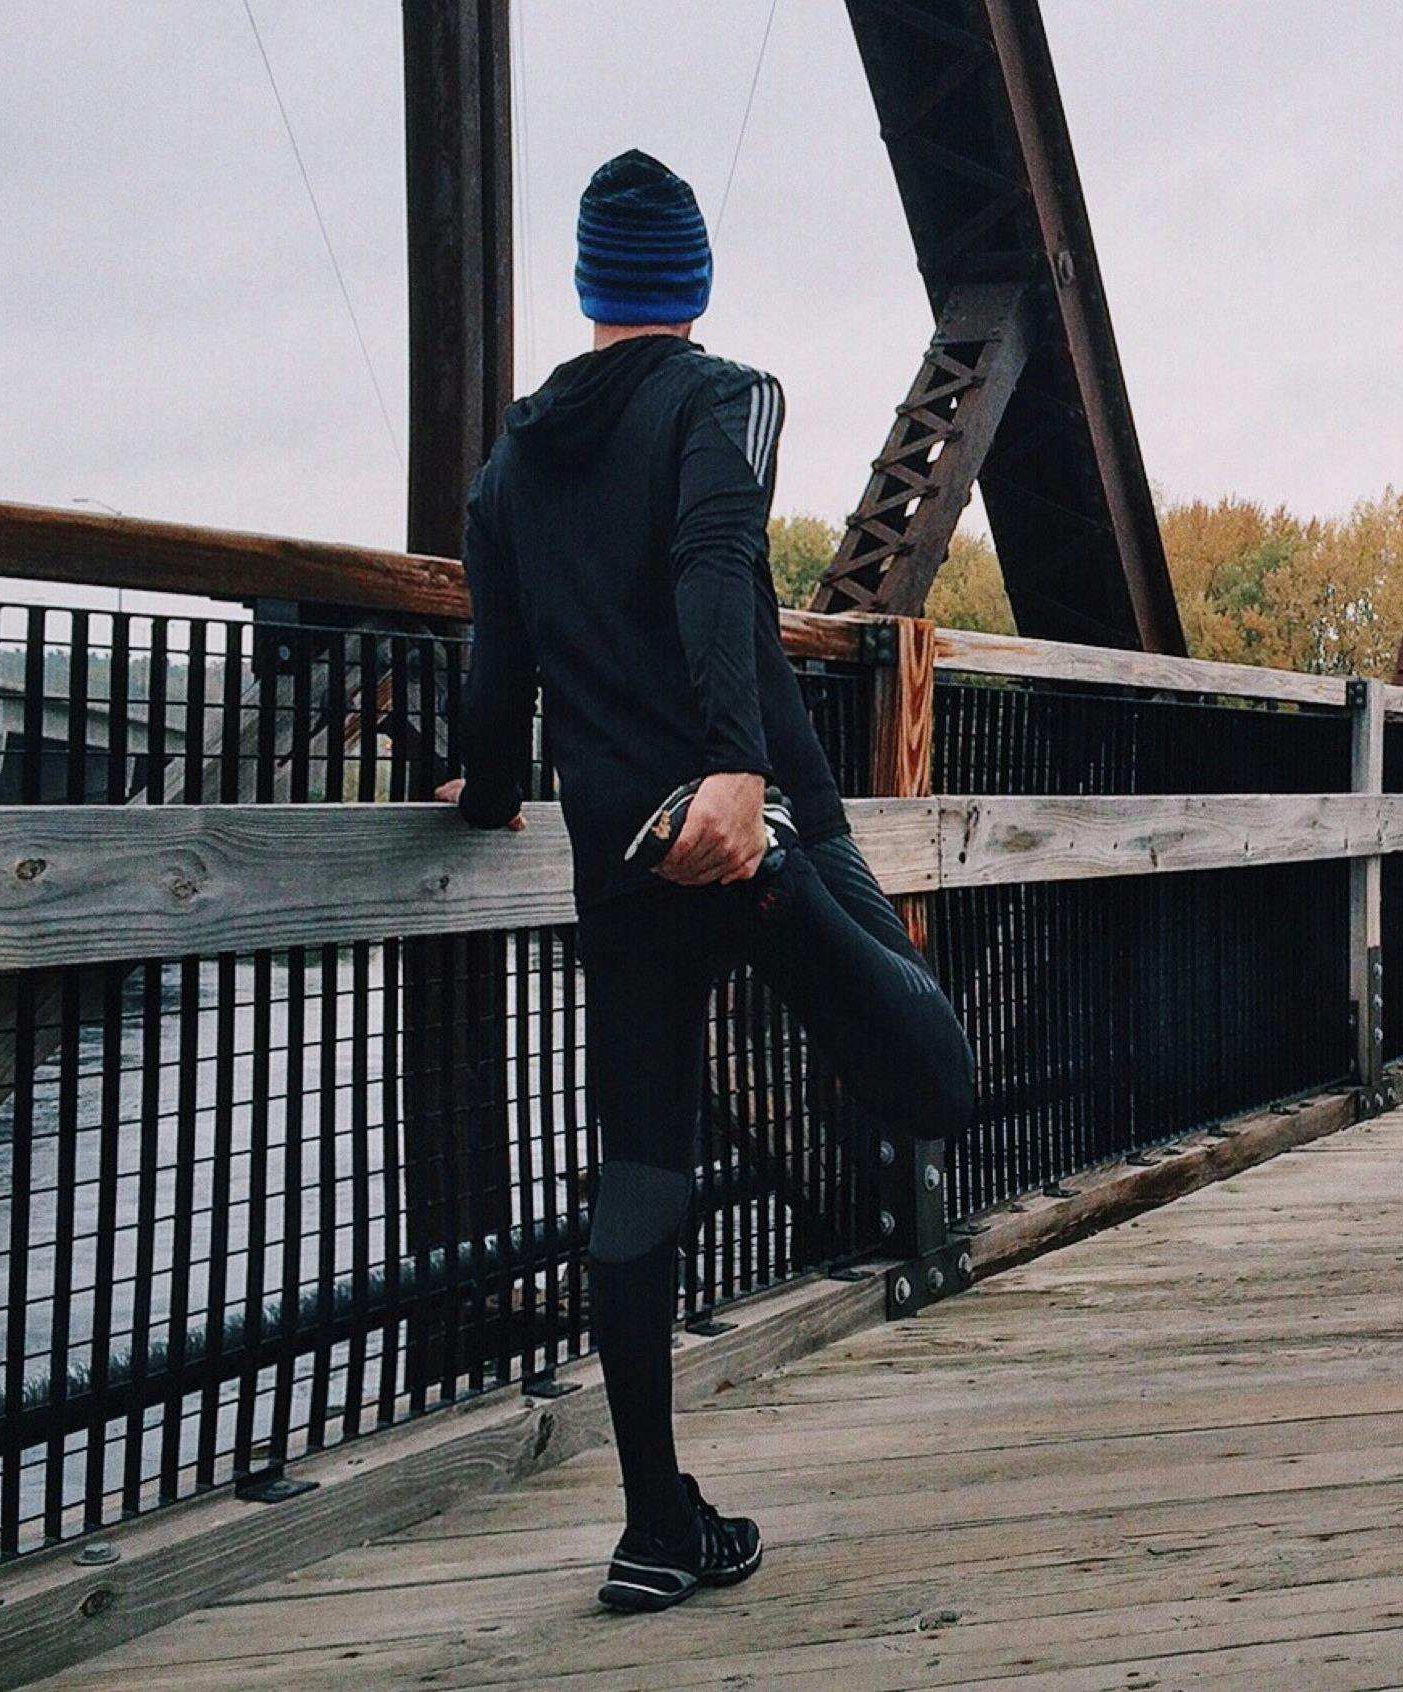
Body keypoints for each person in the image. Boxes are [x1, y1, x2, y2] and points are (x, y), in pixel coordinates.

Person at [435, 149, 977, 1614]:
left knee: (641, 1170)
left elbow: (498, 679)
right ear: (690, 280)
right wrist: (744, 785)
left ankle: (654, 1524)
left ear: (586, 286)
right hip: (755, 823)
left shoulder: (505, 468)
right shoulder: (725, 397)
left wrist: (482, 794)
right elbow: (715, 561)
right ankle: (777, 892)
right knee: (932, 1080)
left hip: (618, 855)